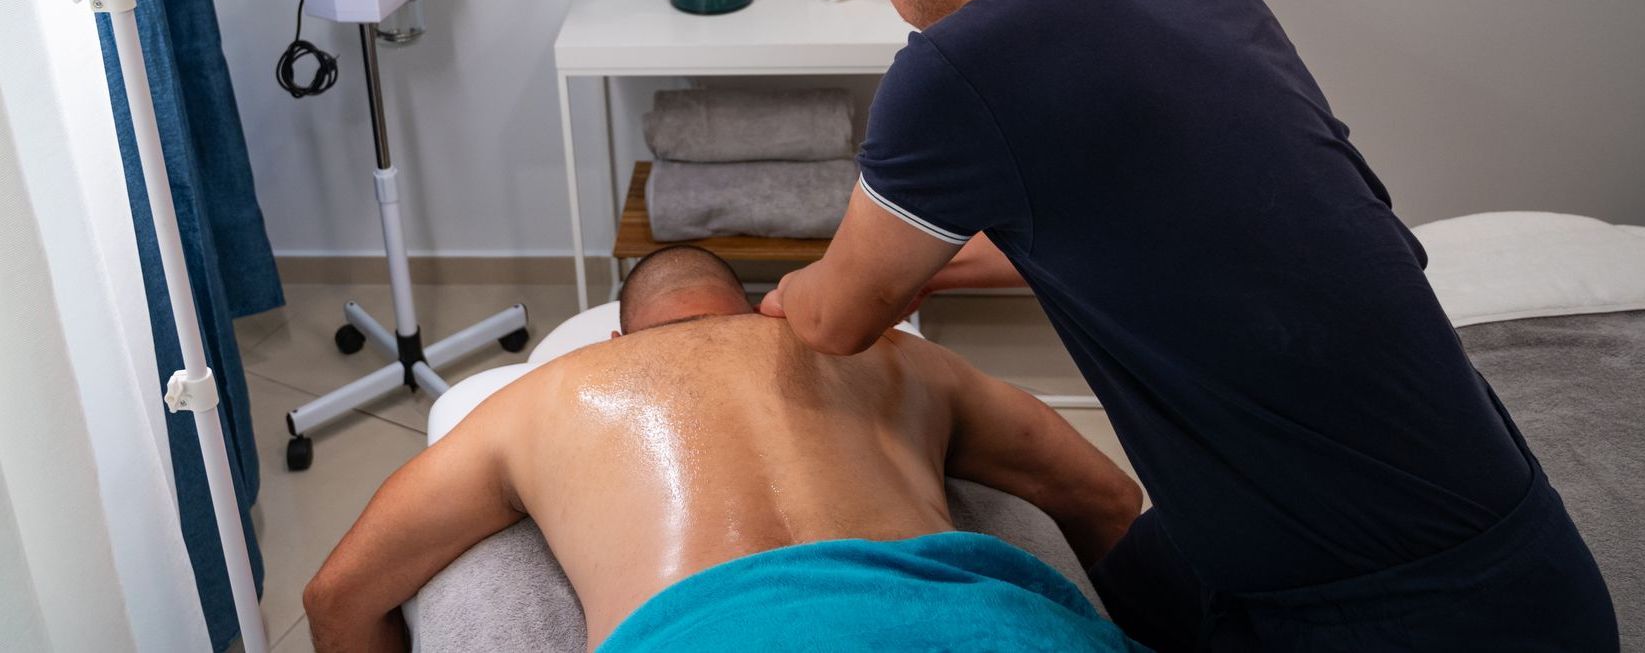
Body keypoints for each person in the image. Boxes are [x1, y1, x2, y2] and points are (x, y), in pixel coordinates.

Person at [759, 0, 1617, 650]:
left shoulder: (956, 63)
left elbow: (835, 320)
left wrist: (800, 287)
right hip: (1527, 559)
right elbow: (1149, 224)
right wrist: (926, 262)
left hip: (1388, 611)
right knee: (1111, 559)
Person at [303, 245, 1146, 652]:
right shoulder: (890, 353)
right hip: (989, 634)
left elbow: (337, 596)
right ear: (750, 309)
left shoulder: (543, 395)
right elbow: (1105, 496)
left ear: (619, 333)